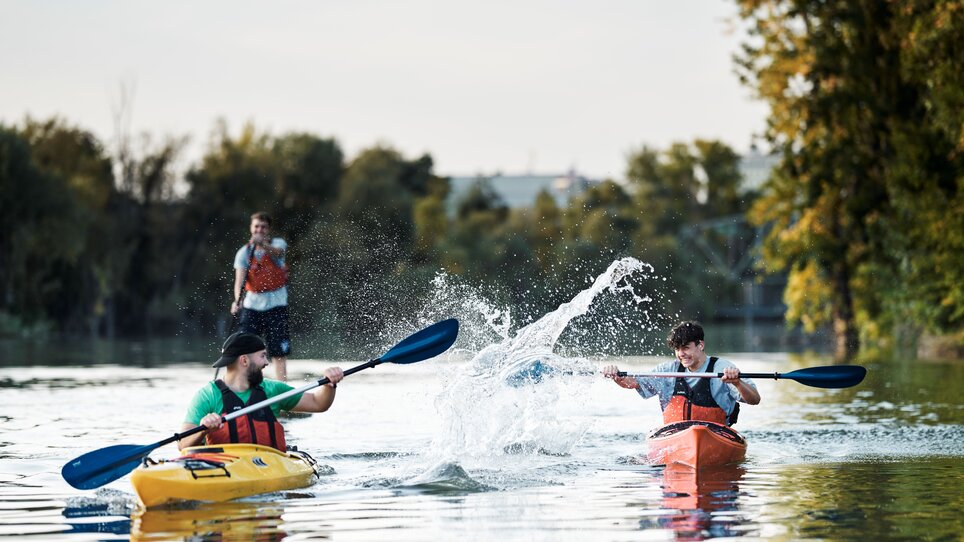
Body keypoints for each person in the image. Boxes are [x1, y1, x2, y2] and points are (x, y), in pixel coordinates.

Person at [178, 332, 344, 451]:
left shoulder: (273, 389)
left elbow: (318, 403)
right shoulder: (207, 396)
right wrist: (204, 429)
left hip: (269, 466)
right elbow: (183, 444)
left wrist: (329, 385)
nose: (267, 362)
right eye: (262, 356)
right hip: (224, 468)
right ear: (244, 360)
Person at [603, 321, 760, 426]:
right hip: (675, 436)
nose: (681, 354)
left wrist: (737, 383)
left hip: (715, 434)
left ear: (701, 345)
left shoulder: (723, 368)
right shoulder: (668, 370)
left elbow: (755, 399)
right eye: (677, 349)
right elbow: (633, 383)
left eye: (685, 348)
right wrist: (616, 376)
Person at [231, 211, 290, 381]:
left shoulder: (278, 244)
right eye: (256, 226)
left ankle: (282, 388)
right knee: (247, 351)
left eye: (263, 227)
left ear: (268, 229)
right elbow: (239, 282)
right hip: (252, 307)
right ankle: (250, 385)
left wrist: (262, 245)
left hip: (277, 305)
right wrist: (237, 301)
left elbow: (278, 253)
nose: (259, 230)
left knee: (278, 352)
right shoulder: (243, 253)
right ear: (251, 228)